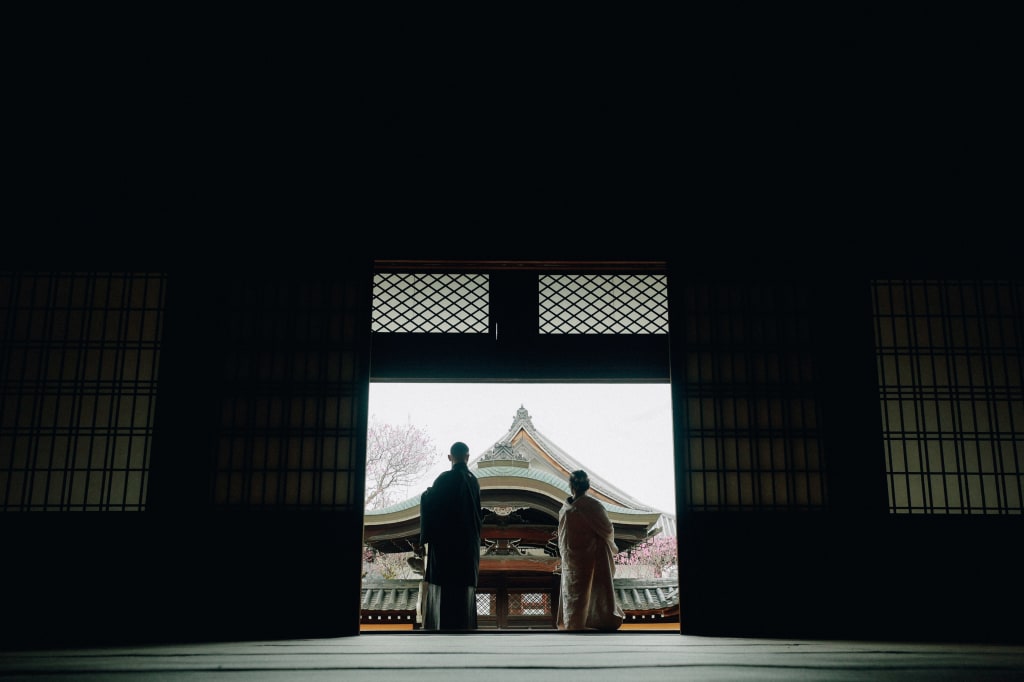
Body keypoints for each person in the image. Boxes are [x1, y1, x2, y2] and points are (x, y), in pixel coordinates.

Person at [418, 441, 482, 630]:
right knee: (464, 592)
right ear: (467, 457)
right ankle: (465, 627)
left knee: (445, 591)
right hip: (467, 549)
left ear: (450, 458)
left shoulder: (445, 479)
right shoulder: (473, 481)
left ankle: (442, 628)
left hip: (447, 549)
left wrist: (426, 495)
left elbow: (431, 504)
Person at [555, 469, 624, 631]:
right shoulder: (592, 506)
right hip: (587, 556)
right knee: (590, 592)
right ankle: (588, 621)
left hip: (576, 556)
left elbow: (562, 536)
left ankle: (575, 622)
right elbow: (607, 530)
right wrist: (610, 546)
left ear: (571, 486)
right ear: (587, 486)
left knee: (578, 593)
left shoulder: (565, 508)